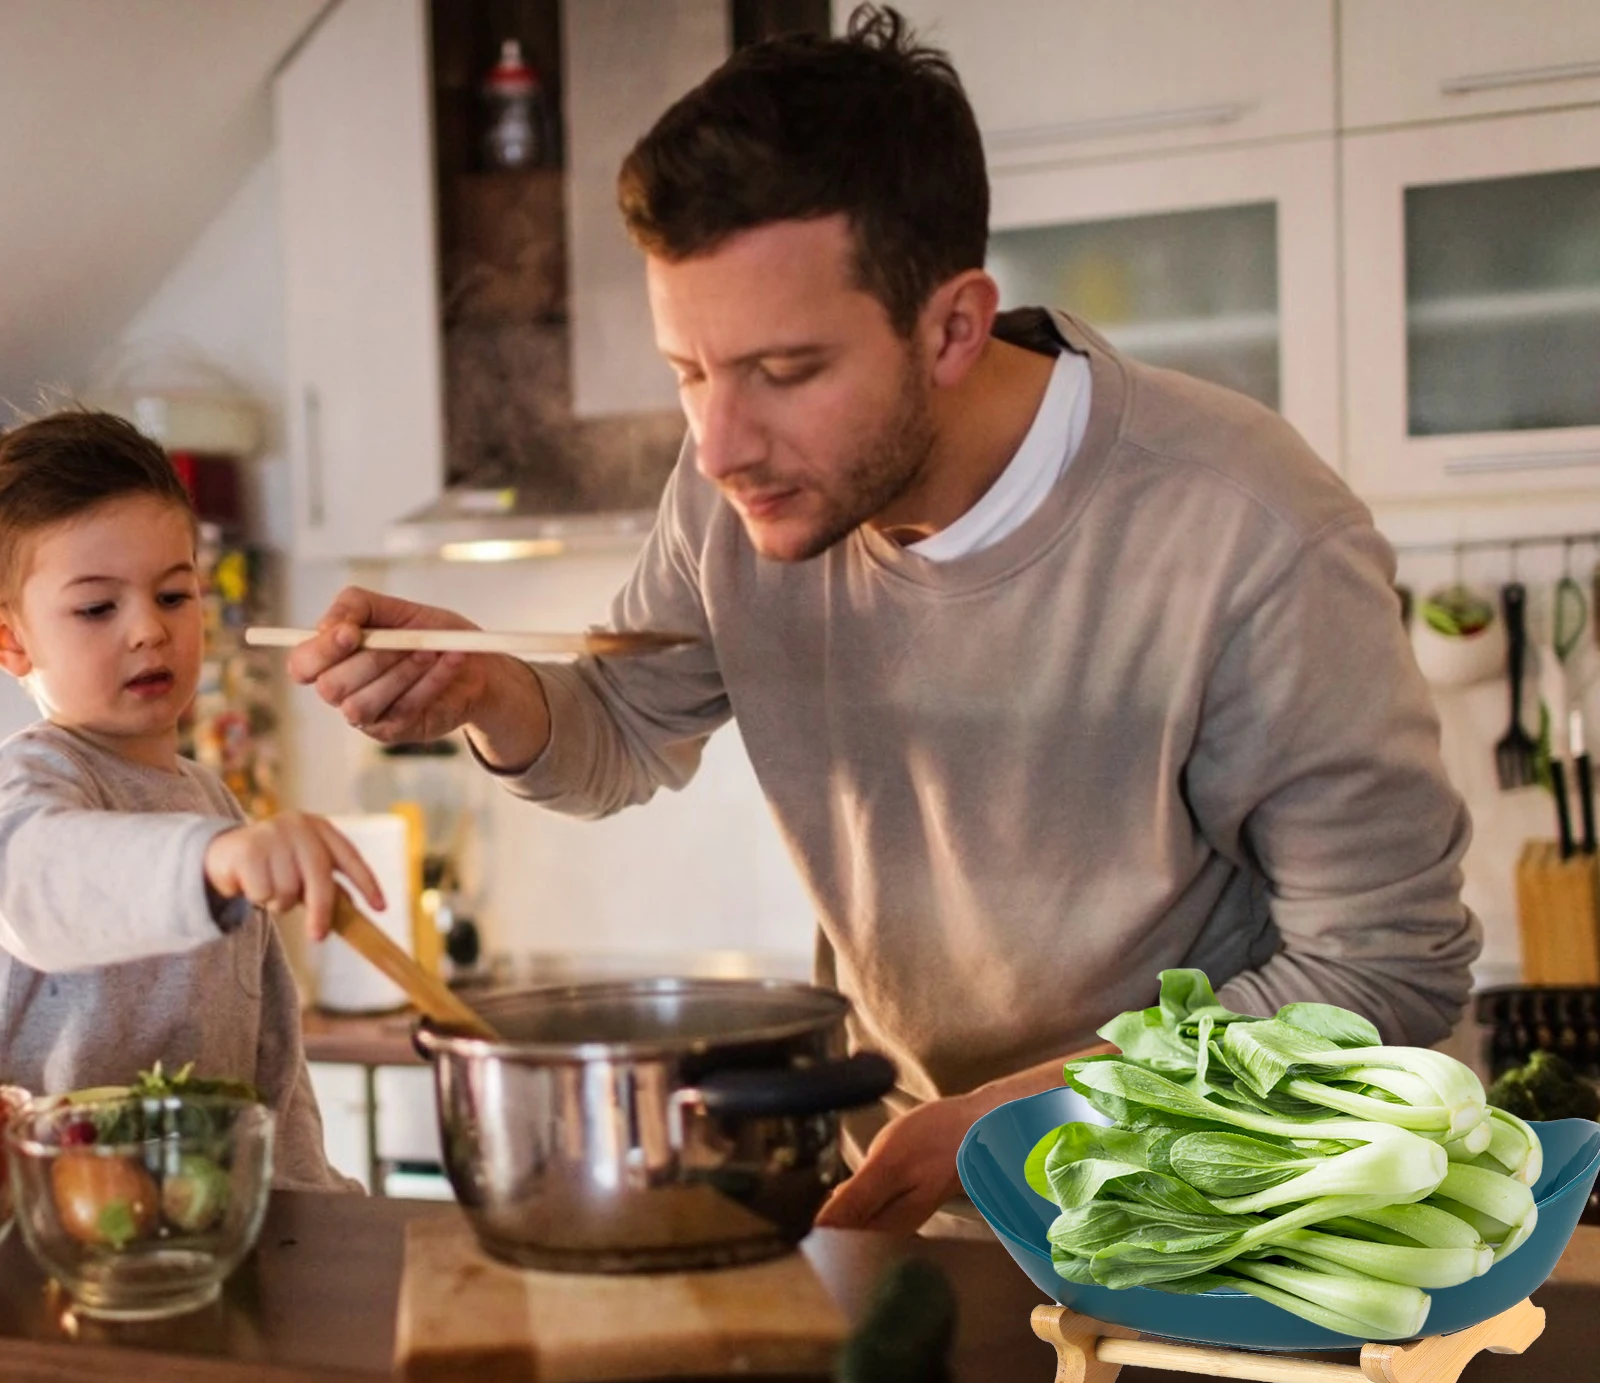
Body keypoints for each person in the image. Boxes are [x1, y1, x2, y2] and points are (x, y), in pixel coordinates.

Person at [286, 8, 1481, 1235]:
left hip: (1215, 1218)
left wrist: (1022, 1123)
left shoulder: (1246, 528)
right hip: (910, 1191)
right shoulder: (734, 492)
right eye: (687, 371)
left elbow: (1382, 968)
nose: (716, 444)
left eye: (785, 371)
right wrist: (487, 691)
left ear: (954, 326)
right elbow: (625, 730)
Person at [0, 408, 383, 1191]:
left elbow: (271, 1061)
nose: (149, 630)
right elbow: (35, 881)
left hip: (210, 1241)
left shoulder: (211, 803)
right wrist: (214, 859)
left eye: (174, 595)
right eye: (98, 608)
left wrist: (311, 1204)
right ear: (11, 642)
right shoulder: (28, 786)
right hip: (50, 1263)